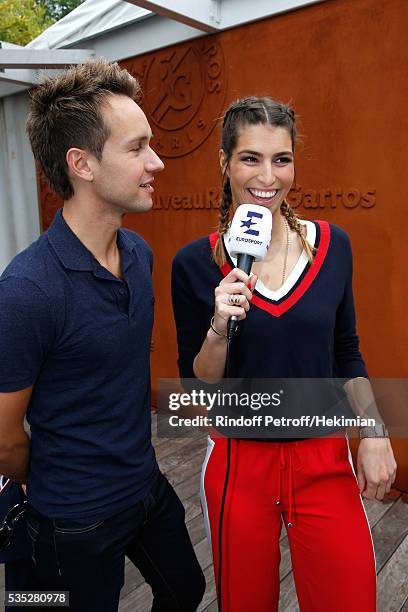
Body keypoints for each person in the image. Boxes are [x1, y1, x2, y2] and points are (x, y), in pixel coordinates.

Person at [171, 96, 397, 611]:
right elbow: (198, 386)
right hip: (237, 463)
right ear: (225, 162)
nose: (267, 176)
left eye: (282, 159)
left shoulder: (334, 245)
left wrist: (375, 432)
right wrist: (219, 326)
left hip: (323, 457)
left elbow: (347, 352)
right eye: (250, 158)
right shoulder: (193, 263)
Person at [0, 59, 205, 612]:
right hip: (70, 520)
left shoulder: (138, 255)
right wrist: (54, 484)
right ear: (82, 164)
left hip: (145, 487)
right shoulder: (26, 290)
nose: (156, 162)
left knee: (186, 589)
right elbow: (4, 437)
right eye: (137, 147)